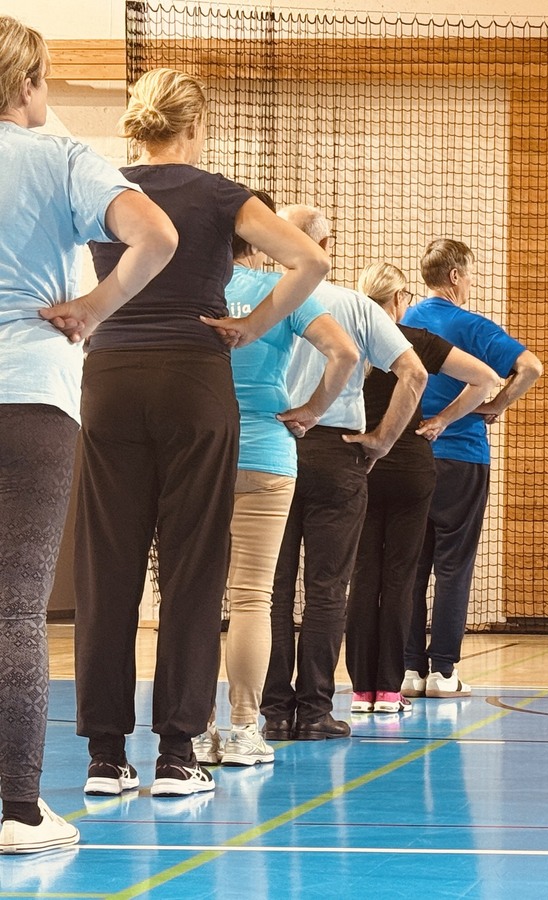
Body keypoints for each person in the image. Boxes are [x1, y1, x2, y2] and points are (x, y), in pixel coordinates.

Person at [75, 68, 329, 799]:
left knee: (107, 569)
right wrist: (252, 324)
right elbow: (311, 260)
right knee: (192, 566)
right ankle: (177, 755)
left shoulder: (103, 185)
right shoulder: (221, 194)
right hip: (193, 380)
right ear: (195, 126)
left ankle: (105, 758)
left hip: (109, 378)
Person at [0, 16, 177, 853]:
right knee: (13, 609)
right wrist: (93, 310)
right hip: (29, 397)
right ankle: (17, 810)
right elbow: (156, 236)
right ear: (28, 83)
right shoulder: (60, 157)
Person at [191, 189, 358, 768]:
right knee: (252, 597)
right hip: (266, 453)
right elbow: (344, 354)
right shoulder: (279, 290)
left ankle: (195, 731)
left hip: (199, 456)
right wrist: (310, 411)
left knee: (197, 596)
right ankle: (243, 728)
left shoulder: (193, 290)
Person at [262, 205, 426, 741]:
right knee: (328, 587)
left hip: (270, 448)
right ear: (325, 246)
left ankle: (272, 711)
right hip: (336, 453)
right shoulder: (355, 305)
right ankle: (314, 711)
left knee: (271, 589)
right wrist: (382, 440)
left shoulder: (259, 299)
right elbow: (414, 373)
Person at [347, 262, 500, 714]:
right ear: (399, 300)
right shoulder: (415, 341)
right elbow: (487, 379)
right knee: (403, 575)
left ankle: (361, 692)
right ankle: (392, 689)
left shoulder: (344, 338)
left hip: (359, 465)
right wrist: (442, 420)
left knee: (363, 576)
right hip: (410, 467)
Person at [400, 239, 543, 698]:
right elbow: (530, 367)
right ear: (456, 276)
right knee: (453, 566)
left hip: (407, 457)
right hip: (461, 457)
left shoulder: (402, 320)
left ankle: (408, 669)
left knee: (410, 566)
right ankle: (443, 672)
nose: (473, 281)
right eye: (471, 273)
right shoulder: (471, 325)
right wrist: (497, 405)